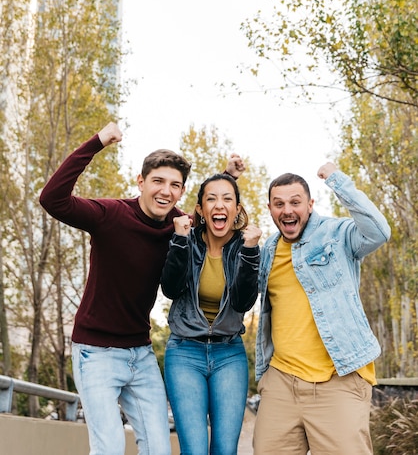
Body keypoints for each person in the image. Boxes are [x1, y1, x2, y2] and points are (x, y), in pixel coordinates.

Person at [39, 122, 245, 455]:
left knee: (158, 450)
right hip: (95, 351)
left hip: (140, 352)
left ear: (181, 192)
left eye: (175, 185)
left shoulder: (179, 225)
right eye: (158, 182)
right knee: (109, 448)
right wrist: (98, 142)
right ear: (141, 182)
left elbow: (213, 209)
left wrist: (228, 176)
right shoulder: (110, 214)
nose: (166, 191)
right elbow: (51, 199)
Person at [253, 162, 391, 455]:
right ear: (270, 208)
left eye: (295, 202)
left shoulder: (337, 233)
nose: (287, 210)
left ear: (310, 204)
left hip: (337, 380)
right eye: (279, 204)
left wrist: (338, 181)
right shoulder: (268, 248)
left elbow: (379, 232)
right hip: (281, 383)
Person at [161, 173, 261, 455]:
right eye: (212, 199)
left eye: (227, 199)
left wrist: (251, 252)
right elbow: (170, 288)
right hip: (184, 352)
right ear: (200, 210)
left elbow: (243, 302)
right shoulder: (186, 240)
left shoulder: (246, 247)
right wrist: (180, 240)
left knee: (225, 451)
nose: (220, 205)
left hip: (230, 354)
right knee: (193, 450)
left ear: (237, 210)